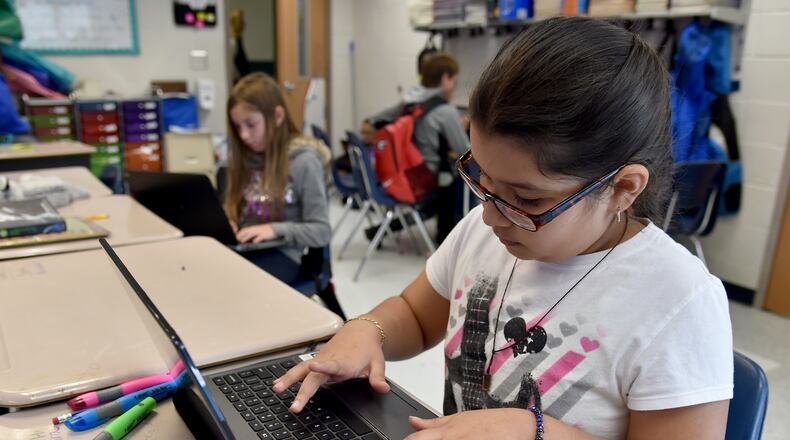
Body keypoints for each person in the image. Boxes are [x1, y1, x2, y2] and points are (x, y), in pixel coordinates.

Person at [272, 17, 733, 439]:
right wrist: (369, 329)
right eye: (483, 181)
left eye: (527, 199)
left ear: (623, 188)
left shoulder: (678, 303)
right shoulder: (483, 230)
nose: (492, 215)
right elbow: (414, 314)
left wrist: (534, 431)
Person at [224, 73, 331, 285]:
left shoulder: (304, 162)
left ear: (278, 116)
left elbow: (321, 231)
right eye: (238, 127)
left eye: (251, 124)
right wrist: (230, 222)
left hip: (284, 256)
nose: (243, 135)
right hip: (245, 251)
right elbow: (234, 208)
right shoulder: (244, 158)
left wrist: (274, 229)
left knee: (235, 288)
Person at [362, 53, 471, 244]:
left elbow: (372, 122)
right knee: (457, 180)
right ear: (445, 78)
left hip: (401, 172)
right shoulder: (445, 111)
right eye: (454, 80)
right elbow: (465, 150)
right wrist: (461, 129)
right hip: (424, 178)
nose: (454, 85)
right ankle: (449, 241)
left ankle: (382, 230)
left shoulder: (408, 100)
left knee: (442, 187)